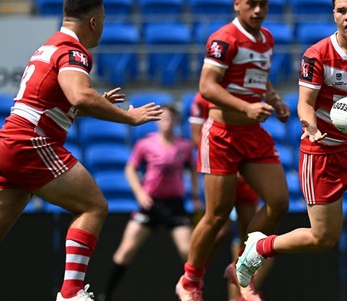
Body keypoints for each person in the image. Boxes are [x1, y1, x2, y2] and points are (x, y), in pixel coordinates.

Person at [235, 0, 347, 300]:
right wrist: (309, 125)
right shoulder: (317, 54)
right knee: (323, 238)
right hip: (322, 151)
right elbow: (305, 103)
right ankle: (260, 247)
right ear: (334, 15)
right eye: (341, 11)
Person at [0, 0, 163, 300]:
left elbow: (57, 100)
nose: (102, 25)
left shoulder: (49, 46)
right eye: (102, 19)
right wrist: (129, 116)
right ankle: (71, 293)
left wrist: (93, 100)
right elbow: (78, 94)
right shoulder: (75, 52)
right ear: (93, 23)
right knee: (94, 206)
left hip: (9, 142)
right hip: (31, 143)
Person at [175, 0, 291, 299]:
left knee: (279, 202)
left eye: (263, 4)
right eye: (251, 4)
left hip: (253, 133)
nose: (258, 11)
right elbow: (207, 87)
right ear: (237, 4)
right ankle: (189, 281)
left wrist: (275, 99)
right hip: (223, 134)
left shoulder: (266, 38)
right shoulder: (224, 38)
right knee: (217, 215)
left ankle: (240, 264)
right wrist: (246, 107)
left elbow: (259, 77)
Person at [99, 105, 198, 301]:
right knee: (126, 250)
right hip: (150, 204)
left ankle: (188, 295)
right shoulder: (146, 144)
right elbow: (130, 169)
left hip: (175, 205)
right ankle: (105, 295)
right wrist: (140, 193)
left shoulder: (184, 146)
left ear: (176, 122)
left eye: (170, 119)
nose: (166, 123)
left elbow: (193, 170)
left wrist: (195, 196)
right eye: (162, 119)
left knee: (189, 253)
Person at [188, 92, 270, 301]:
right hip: (221, 167)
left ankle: (240, 294)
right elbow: (197, 137)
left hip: (243, 174)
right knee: (218, 227)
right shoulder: (203, 97)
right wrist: (228, 164)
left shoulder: (245, 91)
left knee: (251, 236)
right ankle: (194, 277)